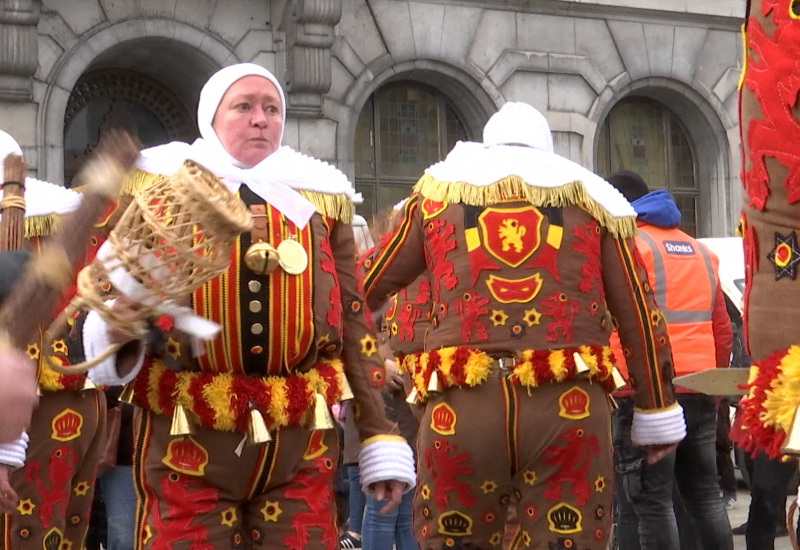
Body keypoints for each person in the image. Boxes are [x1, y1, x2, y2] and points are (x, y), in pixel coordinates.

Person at [79, 63, 416, 549]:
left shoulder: (322, 200)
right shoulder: (160, 189)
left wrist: (379, 434)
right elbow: (107, 301)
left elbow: (353, 321)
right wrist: (116, 328)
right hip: (187, 436)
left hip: (301, 440)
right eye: (244, 107)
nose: (261, 119)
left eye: (272, 108)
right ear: (211, 119)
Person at [360, 102, 685, 549]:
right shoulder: (596, 204)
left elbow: (359, 287)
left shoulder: (435, 200)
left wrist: (366, 365)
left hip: (461, 407)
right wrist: (656, 408)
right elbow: (641, 319)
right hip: (568, 407)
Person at [606, 170, 733, 550]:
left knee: (647, 502)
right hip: (700, 386)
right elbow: (721, 329)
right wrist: (714, 389)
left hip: (645, 393)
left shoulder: (627, 247)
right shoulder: (699, 250)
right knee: (706, 496)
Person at [0, 130, 110, 548]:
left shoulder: (41, 217)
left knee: (29, 532)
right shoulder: (70, 217)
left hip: (35, 407)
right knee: (58, 530)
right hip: (77, 401)